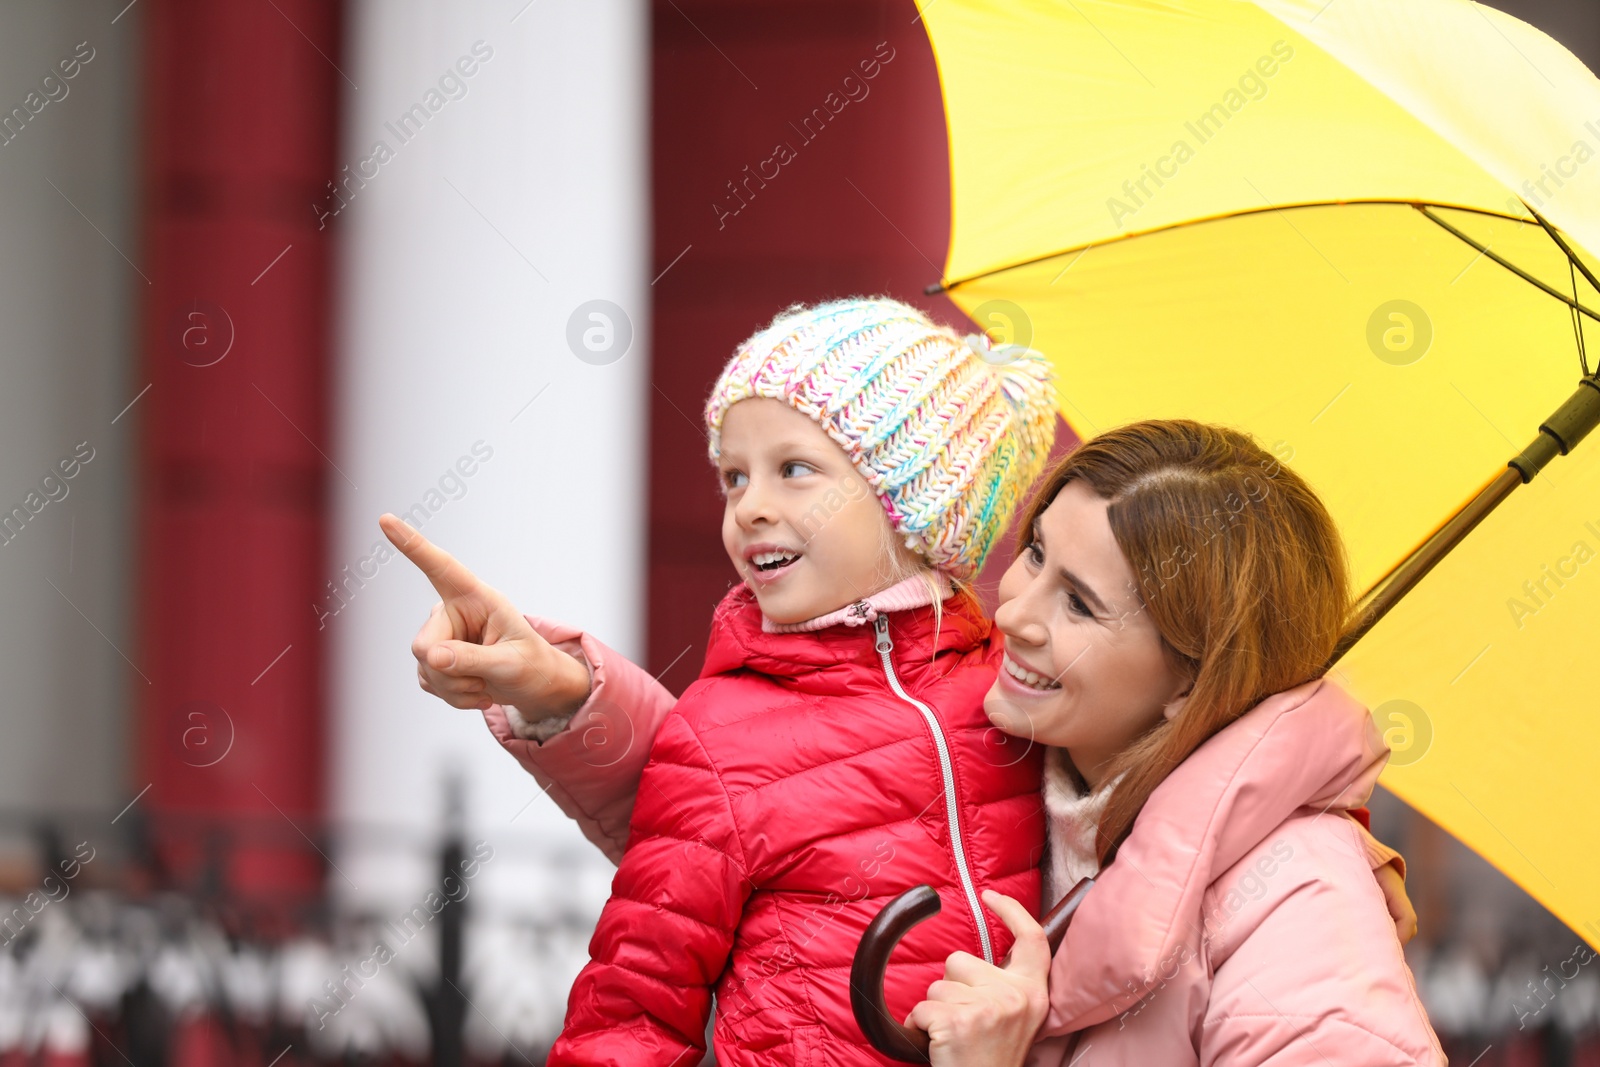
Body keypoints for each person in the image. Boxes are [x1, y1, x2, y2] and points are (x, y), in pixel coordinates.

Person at [382, 319, 1421, 1065]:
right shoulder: (1061, 762)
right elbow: (781, 788)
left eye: (1081, 605)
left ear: (1190, 671)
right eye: (1032, 559)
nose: (1014, 614)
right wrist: (567, 691)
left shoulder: (1288, 896)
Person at [389, 295, 1062, 1064]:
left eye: (794, 470)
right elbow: (633, 1002)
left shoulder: (1014, 683)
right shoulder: (718, 734)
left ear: (919, 500)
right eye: (734, 477)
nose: (750, 507)